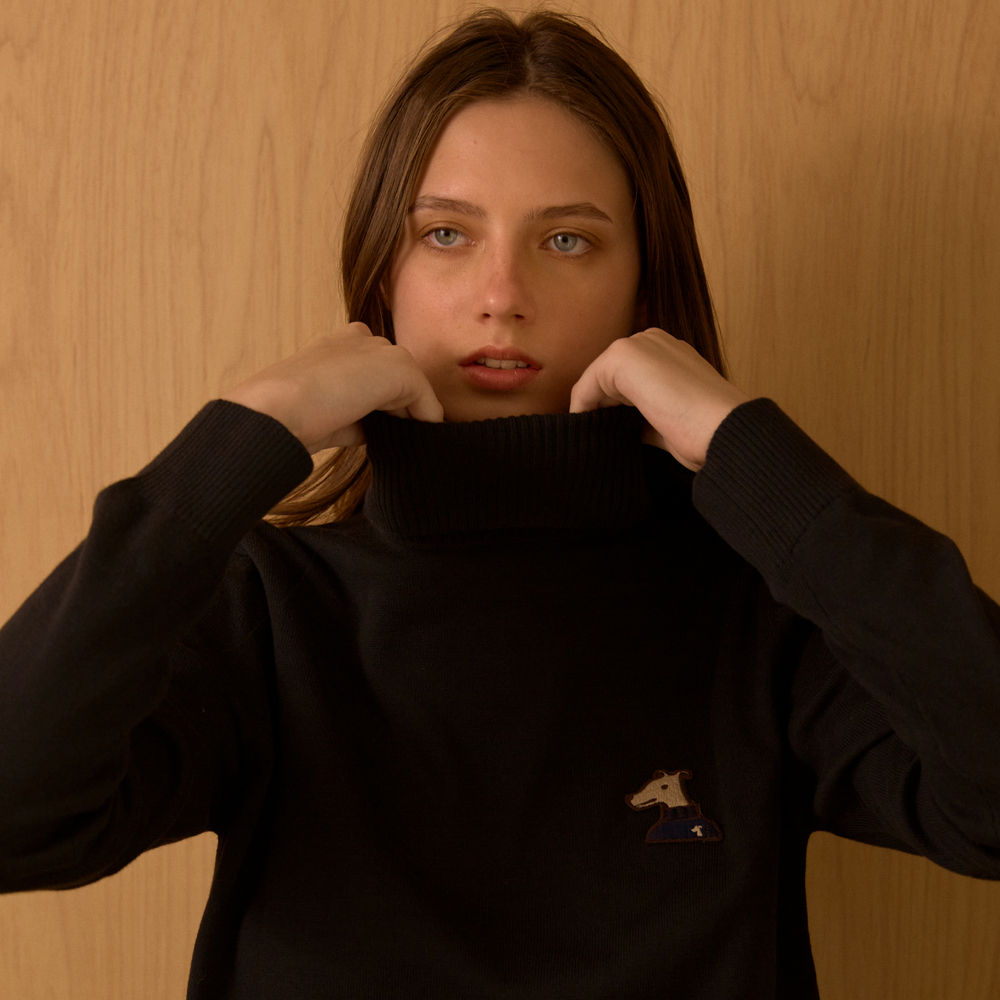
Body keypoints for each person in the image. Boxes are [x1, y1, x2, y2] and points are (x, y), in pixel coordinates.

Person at [1, 7, 998, 999]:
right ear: (381, 276)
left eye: (566, 239)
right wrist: (245, 438)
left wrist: (748, 452)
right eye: (445, 234)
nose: (501, 294)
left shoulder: (761, 605)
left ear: (644, 289)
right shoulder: (268, 607)